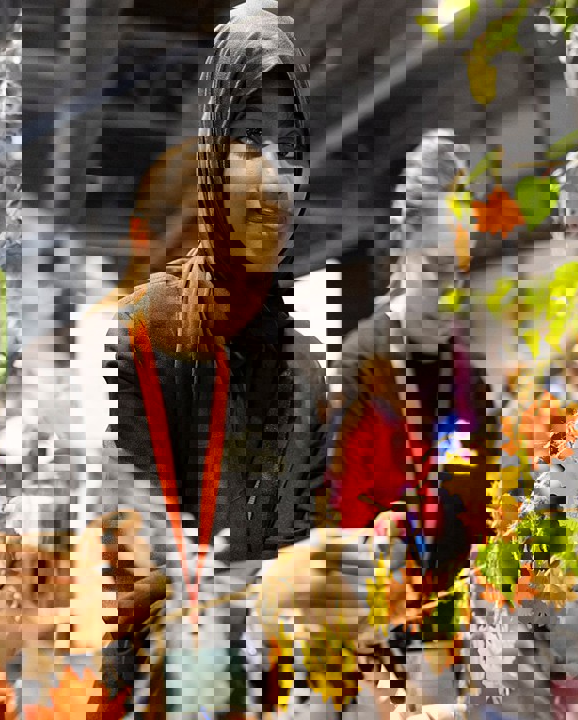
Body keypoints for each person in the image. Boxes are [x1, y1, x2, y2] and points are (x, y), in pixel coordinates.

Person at [91, 1, 330, 715]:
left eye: (292, 154)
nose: (275, 181)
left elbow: (305, 536)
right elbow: (122, 538)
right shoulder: (139, 336)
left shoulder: (305, 372)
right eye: (252, 145)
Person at [327, 129, 496, 617]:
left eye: (459, 275)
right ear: (405, 257)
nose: (449, 291)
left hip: (455, 606)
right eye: (437, 270)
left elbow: (476, 484)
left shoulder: (468, 377)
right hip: (380, 605)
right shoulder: (362, 363)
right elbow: (338, 494)